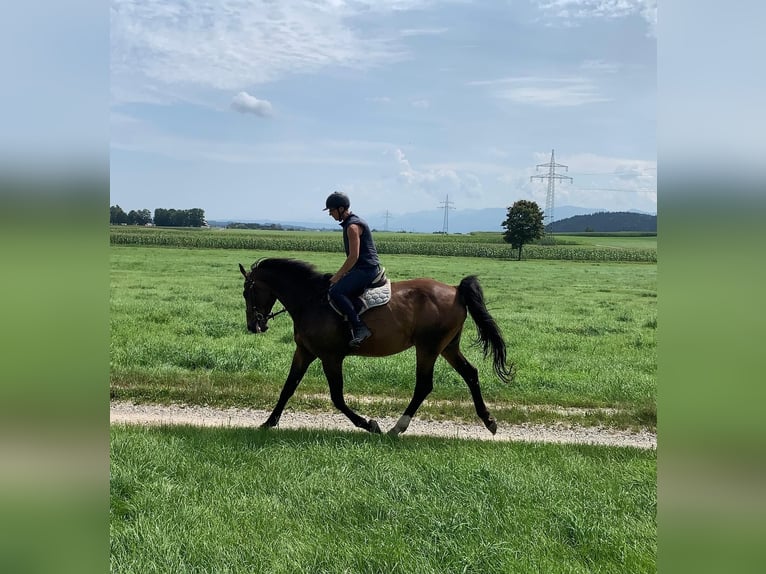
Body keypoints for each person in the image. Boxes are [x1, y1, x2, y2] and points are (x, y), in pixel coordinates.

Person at [324, 191, 381, 348]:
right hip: (362, 268)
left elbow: (353, 257)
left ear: (341, 209)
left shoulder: (352, 227)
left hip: (367, 269)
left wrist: (336, 277)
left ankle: (360, 328)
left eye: (331, 210)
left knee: (335, 291)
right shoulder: (351, 223)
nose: (330, 213)